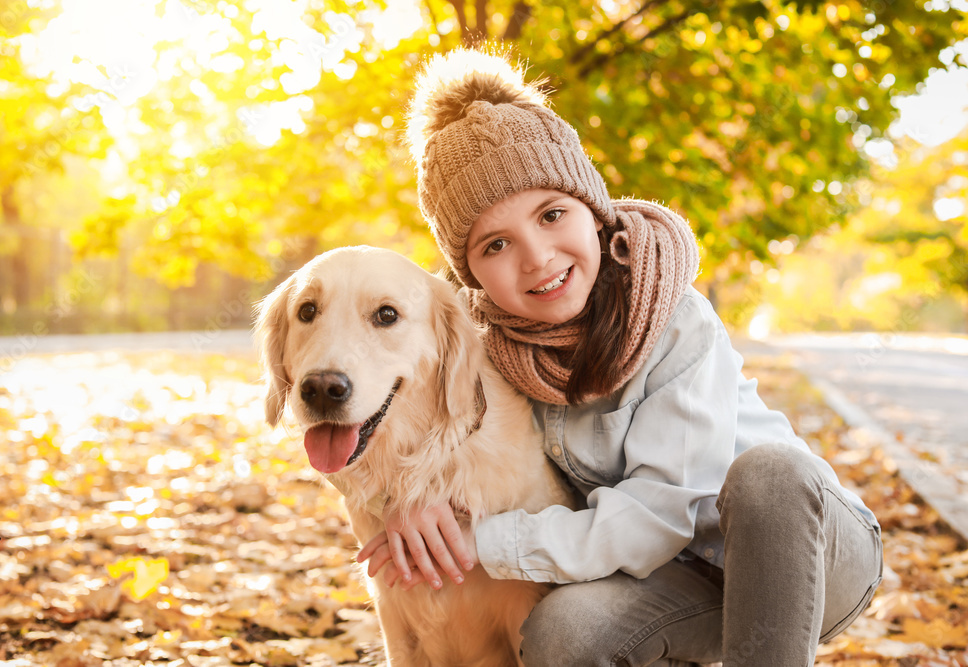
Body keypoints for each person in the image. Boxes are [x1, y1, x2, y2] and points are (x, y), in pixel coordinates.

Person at [356, 48, 883, 666]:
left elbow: (658, 514)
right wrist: (421, 500)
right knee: (564, 632)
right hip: (673, 581)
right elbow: (430, 425)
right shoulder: (486, 351)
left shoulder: (673, 318)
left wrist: (482, 542)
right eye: (496, 244)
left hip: (807, 557)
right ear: (467, 273)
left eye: (552, 215)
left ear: (594, 210)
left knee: (770, 471)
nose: (537, 258)